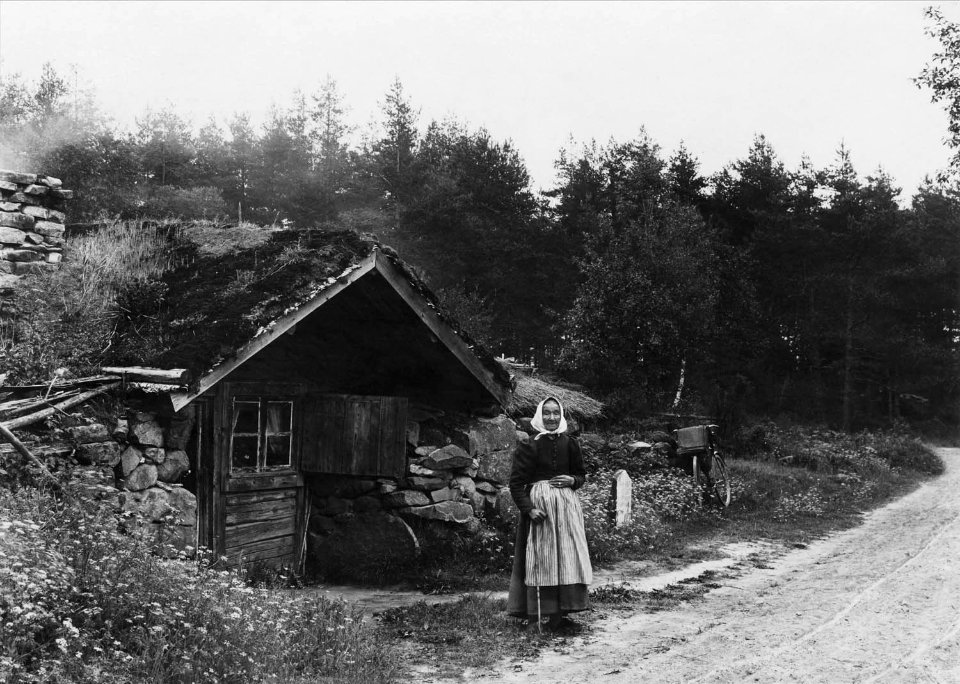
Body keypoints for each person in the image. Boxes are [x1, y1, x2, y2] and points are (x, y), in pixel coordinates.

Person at [506, 396, 592, 630]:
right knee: (540, 559)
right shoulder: (529, 445)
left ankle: (559, 615)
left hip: (566, 509)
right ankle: (535, 615)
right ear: (539, 416)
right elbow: (516, 483)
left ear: (561, 415)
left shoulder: (571, 443)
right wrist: (529, 509)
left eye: (556, 413)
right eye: (547, 413)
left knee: (566, 558)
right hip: (540, 510)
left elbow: (582, 475)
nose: (552, 417)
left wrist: (573, 479)